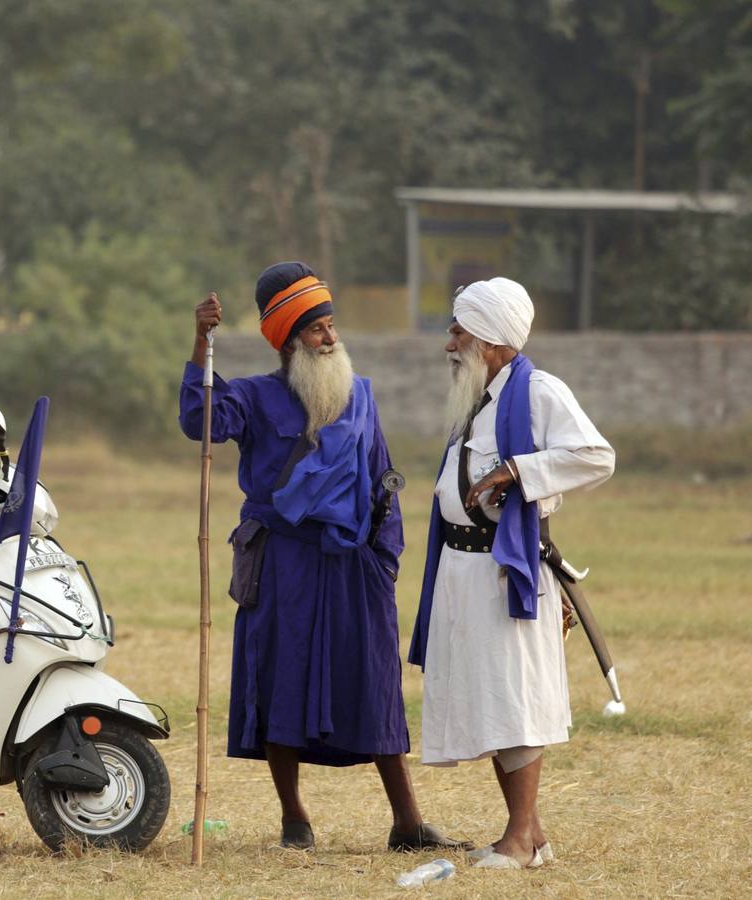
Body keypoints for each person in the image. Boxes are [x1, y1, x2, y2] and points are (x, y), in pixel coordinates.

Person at [179, 262, 468, 853]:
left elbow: (384, 479)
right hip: (281, 563)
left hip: (354, 564)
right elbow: (198, 420)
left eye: (332, 325)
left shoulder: (360, 396)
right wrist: (202, 342)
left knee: (375, 681)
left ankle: (408, 824)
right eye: (315, 330)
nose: (330, 337)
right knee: (278, 679)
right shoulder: (256, 396)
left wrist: (384, 560)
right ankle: (294, 819)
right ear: (289, 340)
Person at [408, 277, 615, 870]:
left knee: (515, 703)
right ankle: (534, 837)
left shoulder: (540, 391)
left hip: (505, 570)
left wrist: (517, 472)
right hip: (461, 570)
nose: (449, 343)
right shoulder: (478, 395)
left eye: (459, 331)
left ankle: (519, 840)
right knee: (495, 702)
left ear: (494, 340)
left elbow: (596, 456)